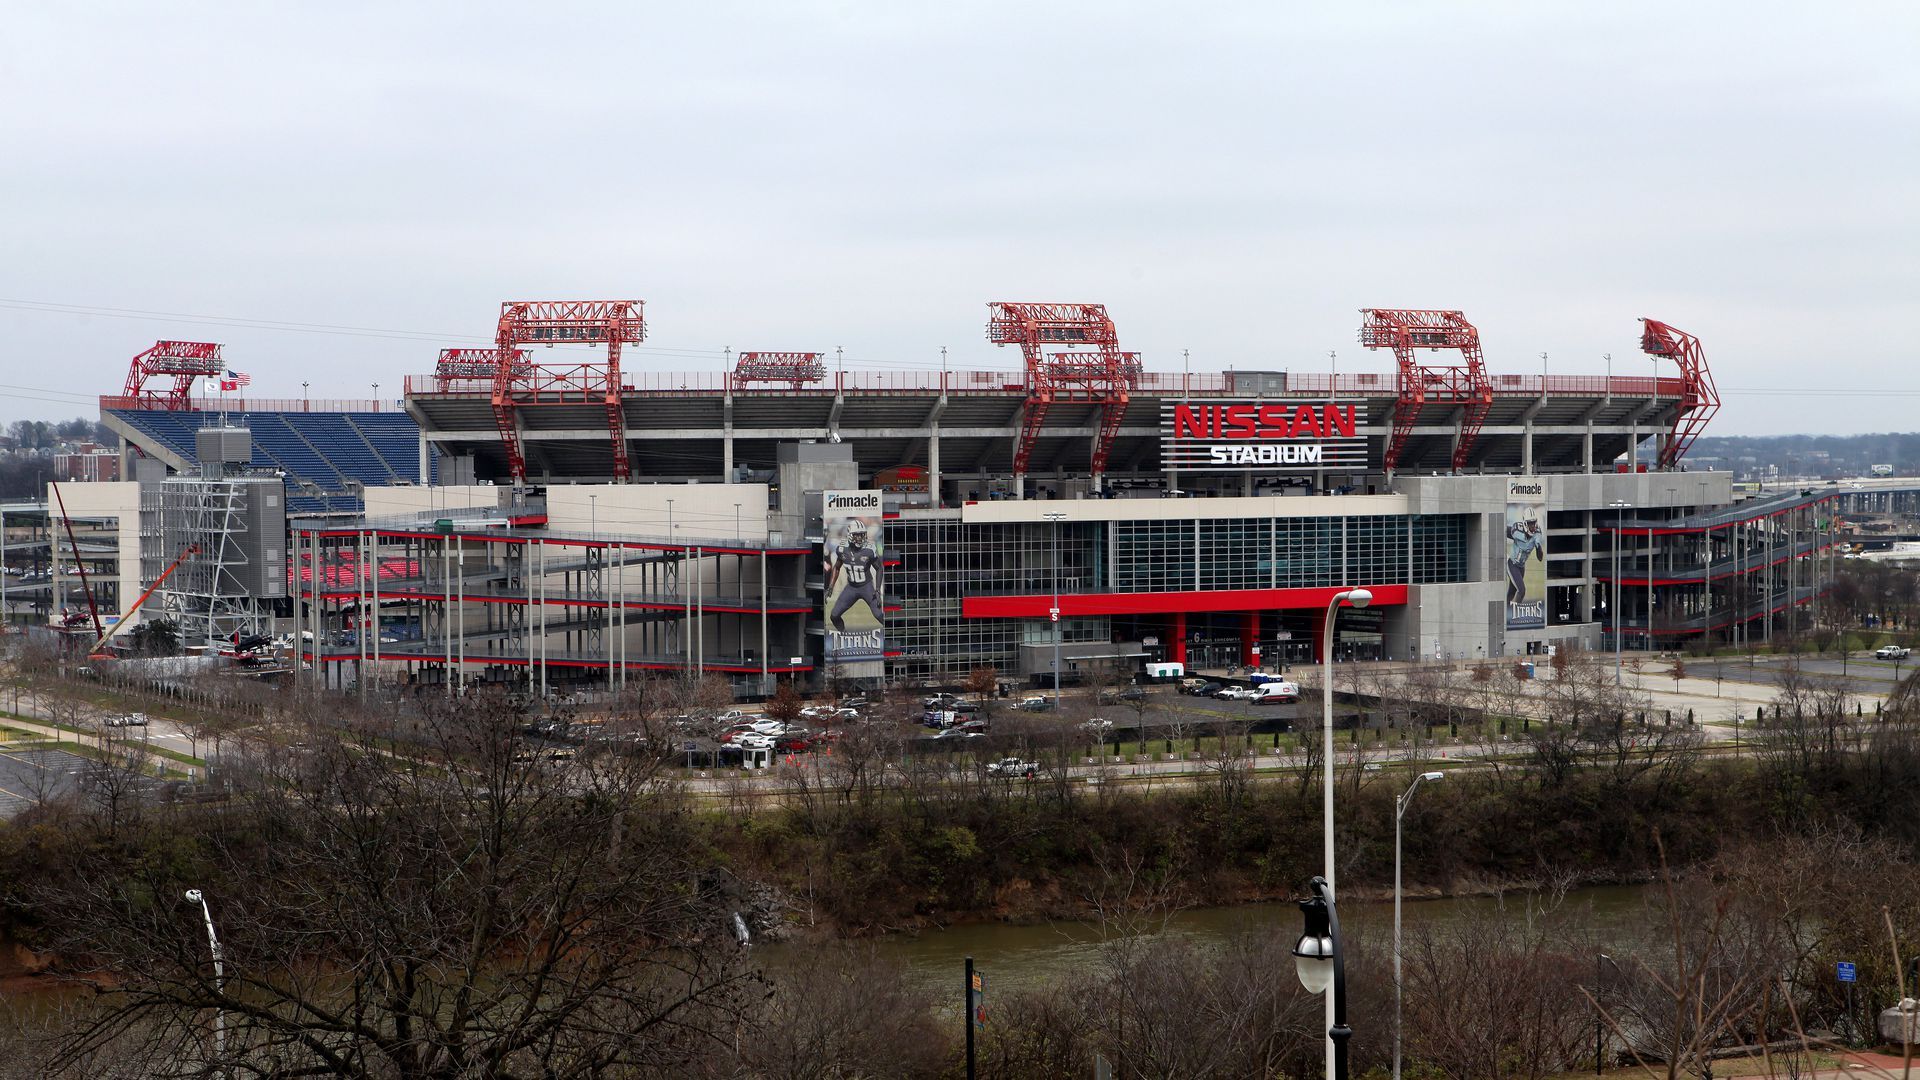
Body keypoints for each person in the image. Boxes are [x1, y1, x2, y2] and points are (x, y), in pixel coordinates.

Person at [826, 520, 883, 632]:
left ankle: (890, 635)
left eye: (862, 534)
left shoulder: (869, 550)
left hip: (867, 587)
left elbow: (879, 568)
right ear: (850, 535)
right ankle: (843, 634)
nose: (860, 538)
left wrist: (877, 590)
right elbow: (837, 567)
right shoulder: (842, 549)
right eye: (857, 535)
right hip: (851, 587)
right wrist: (831, 586)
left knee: (879, 615)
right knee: (834, 616)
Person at [1505, 511, 1545, 605]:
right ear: (1525, 523)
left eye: (1534, 522)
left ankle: (1506, 611)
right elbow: (1506, 530)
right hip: (1512, 564)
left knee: (1512, 590)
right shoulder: (1518, 530)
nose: (1533, 525)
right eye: (1530, 523)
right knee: (1521, 590)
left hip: (1521, 567)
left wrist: (1538, 547)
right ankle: (1515, 612)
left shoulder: (1537, 534)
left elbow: (1540, 558)